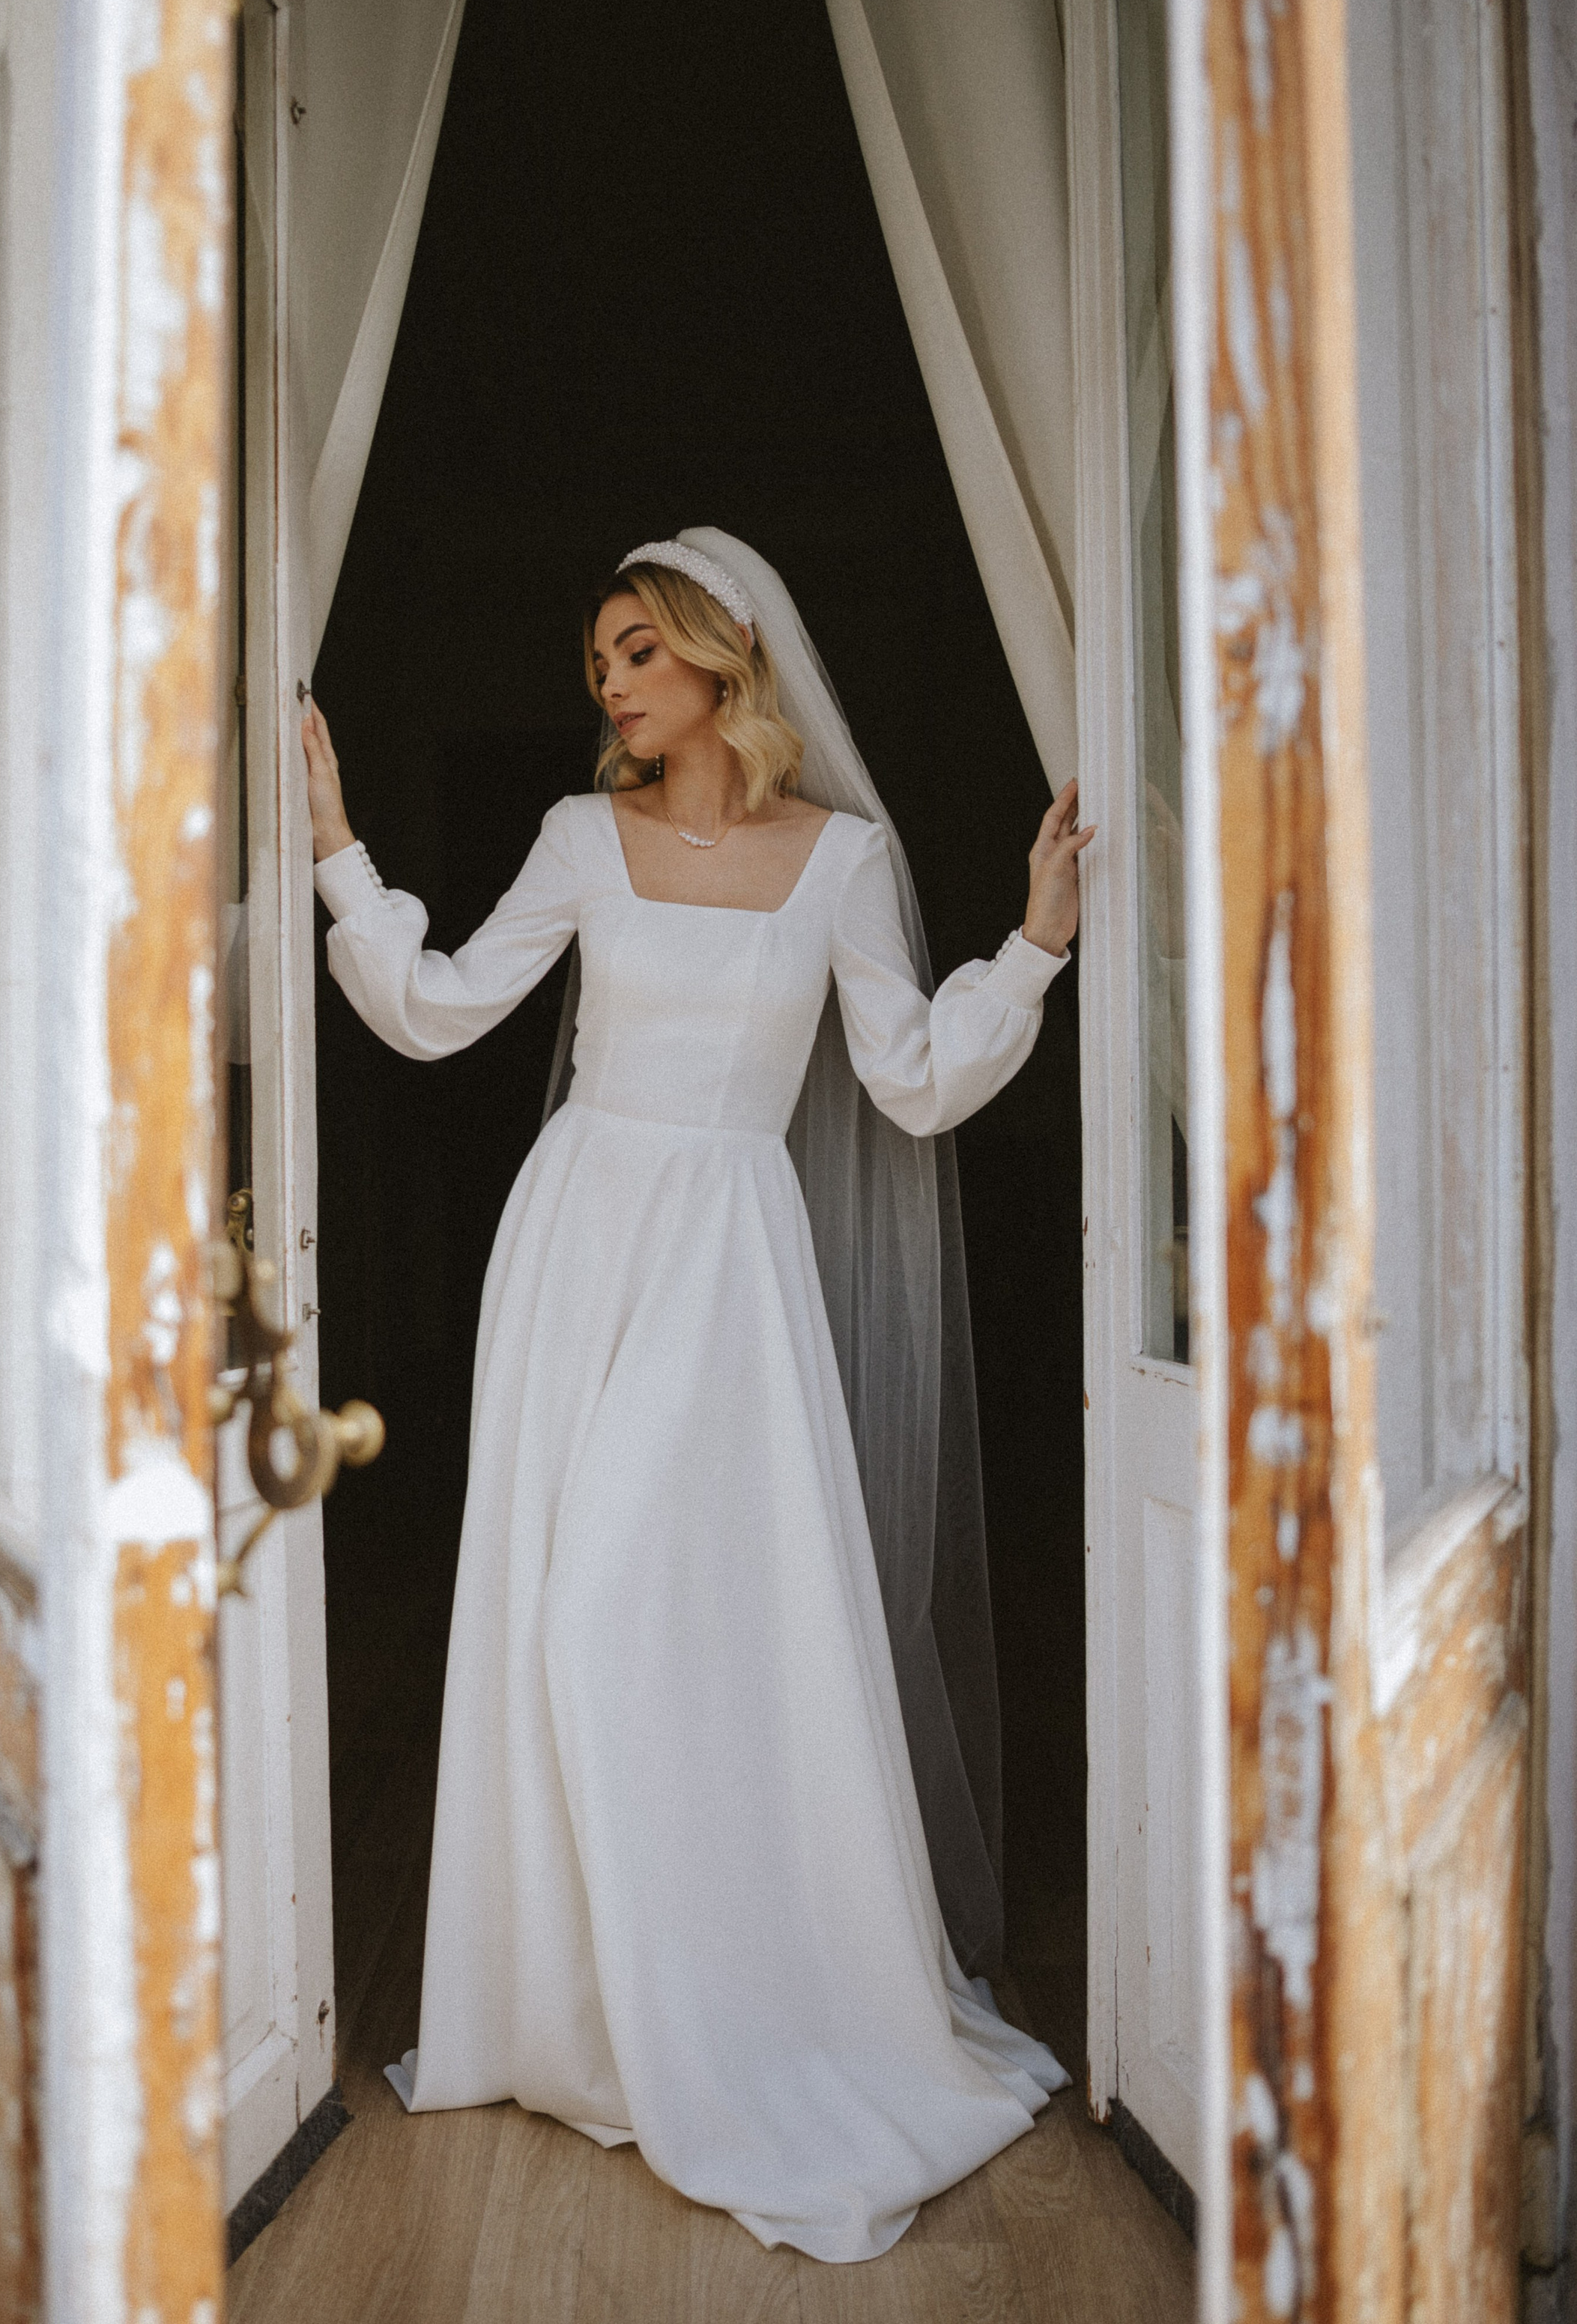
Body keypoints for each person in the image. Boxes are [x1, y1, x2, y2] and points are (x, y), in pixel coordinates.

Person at [301, 530, 1093, 2263]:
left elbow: (910, 1075)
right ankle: (572, 2010)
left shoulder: (846, 862)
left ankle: (733, 1992)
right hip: (579, 1241)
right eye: (597, 663)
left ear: (723, 658)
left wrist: (1031, 947)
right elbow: (438, 1011)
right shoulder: (582, 838)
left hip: (732, 1260)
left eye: (634, 651)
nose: (609, 685)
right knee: (563, 1614)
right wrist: (339, 849)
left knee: (680, 1622)